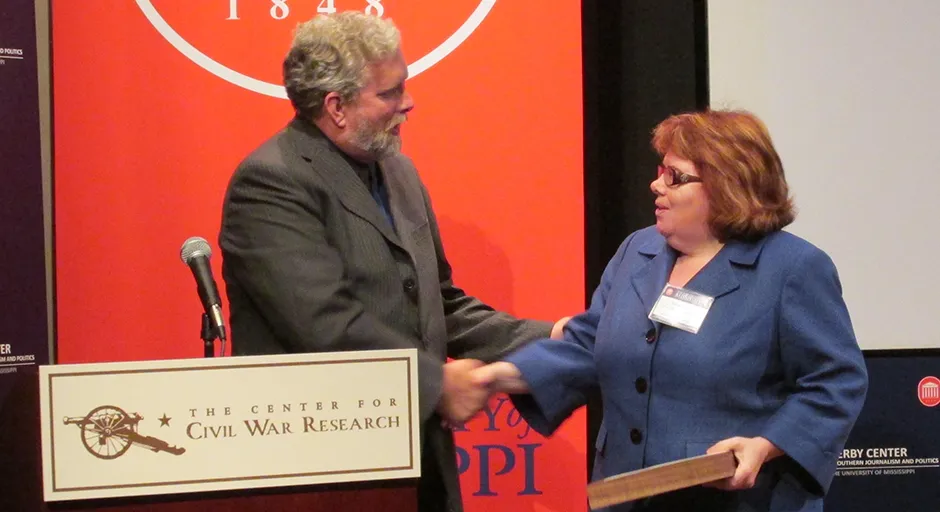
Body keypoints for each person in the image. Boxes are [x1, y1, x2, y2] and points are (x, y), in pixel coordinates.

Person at [218, 12, 567, 512]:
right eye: (390, 92)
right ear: (336, 106)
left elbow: (437, 303)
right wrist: (437, 384)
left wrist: (550, 337)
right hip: (323, 473)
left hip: (418, 460)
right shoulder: (271, 183)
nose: (408, 102)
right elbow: (324, 326)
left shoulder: (398, 171)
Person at [474, 110, 869, 511]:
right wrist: (499, 376)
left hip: (735, 502)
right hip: (626, 498)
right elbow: (590, 343)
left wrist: (764, 446)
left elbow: (835, 382)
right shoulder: (636, 251)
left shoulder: (791, 268)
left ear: (726, 183)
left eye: (673, 176)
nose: (655, 185)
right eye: (660, 170)